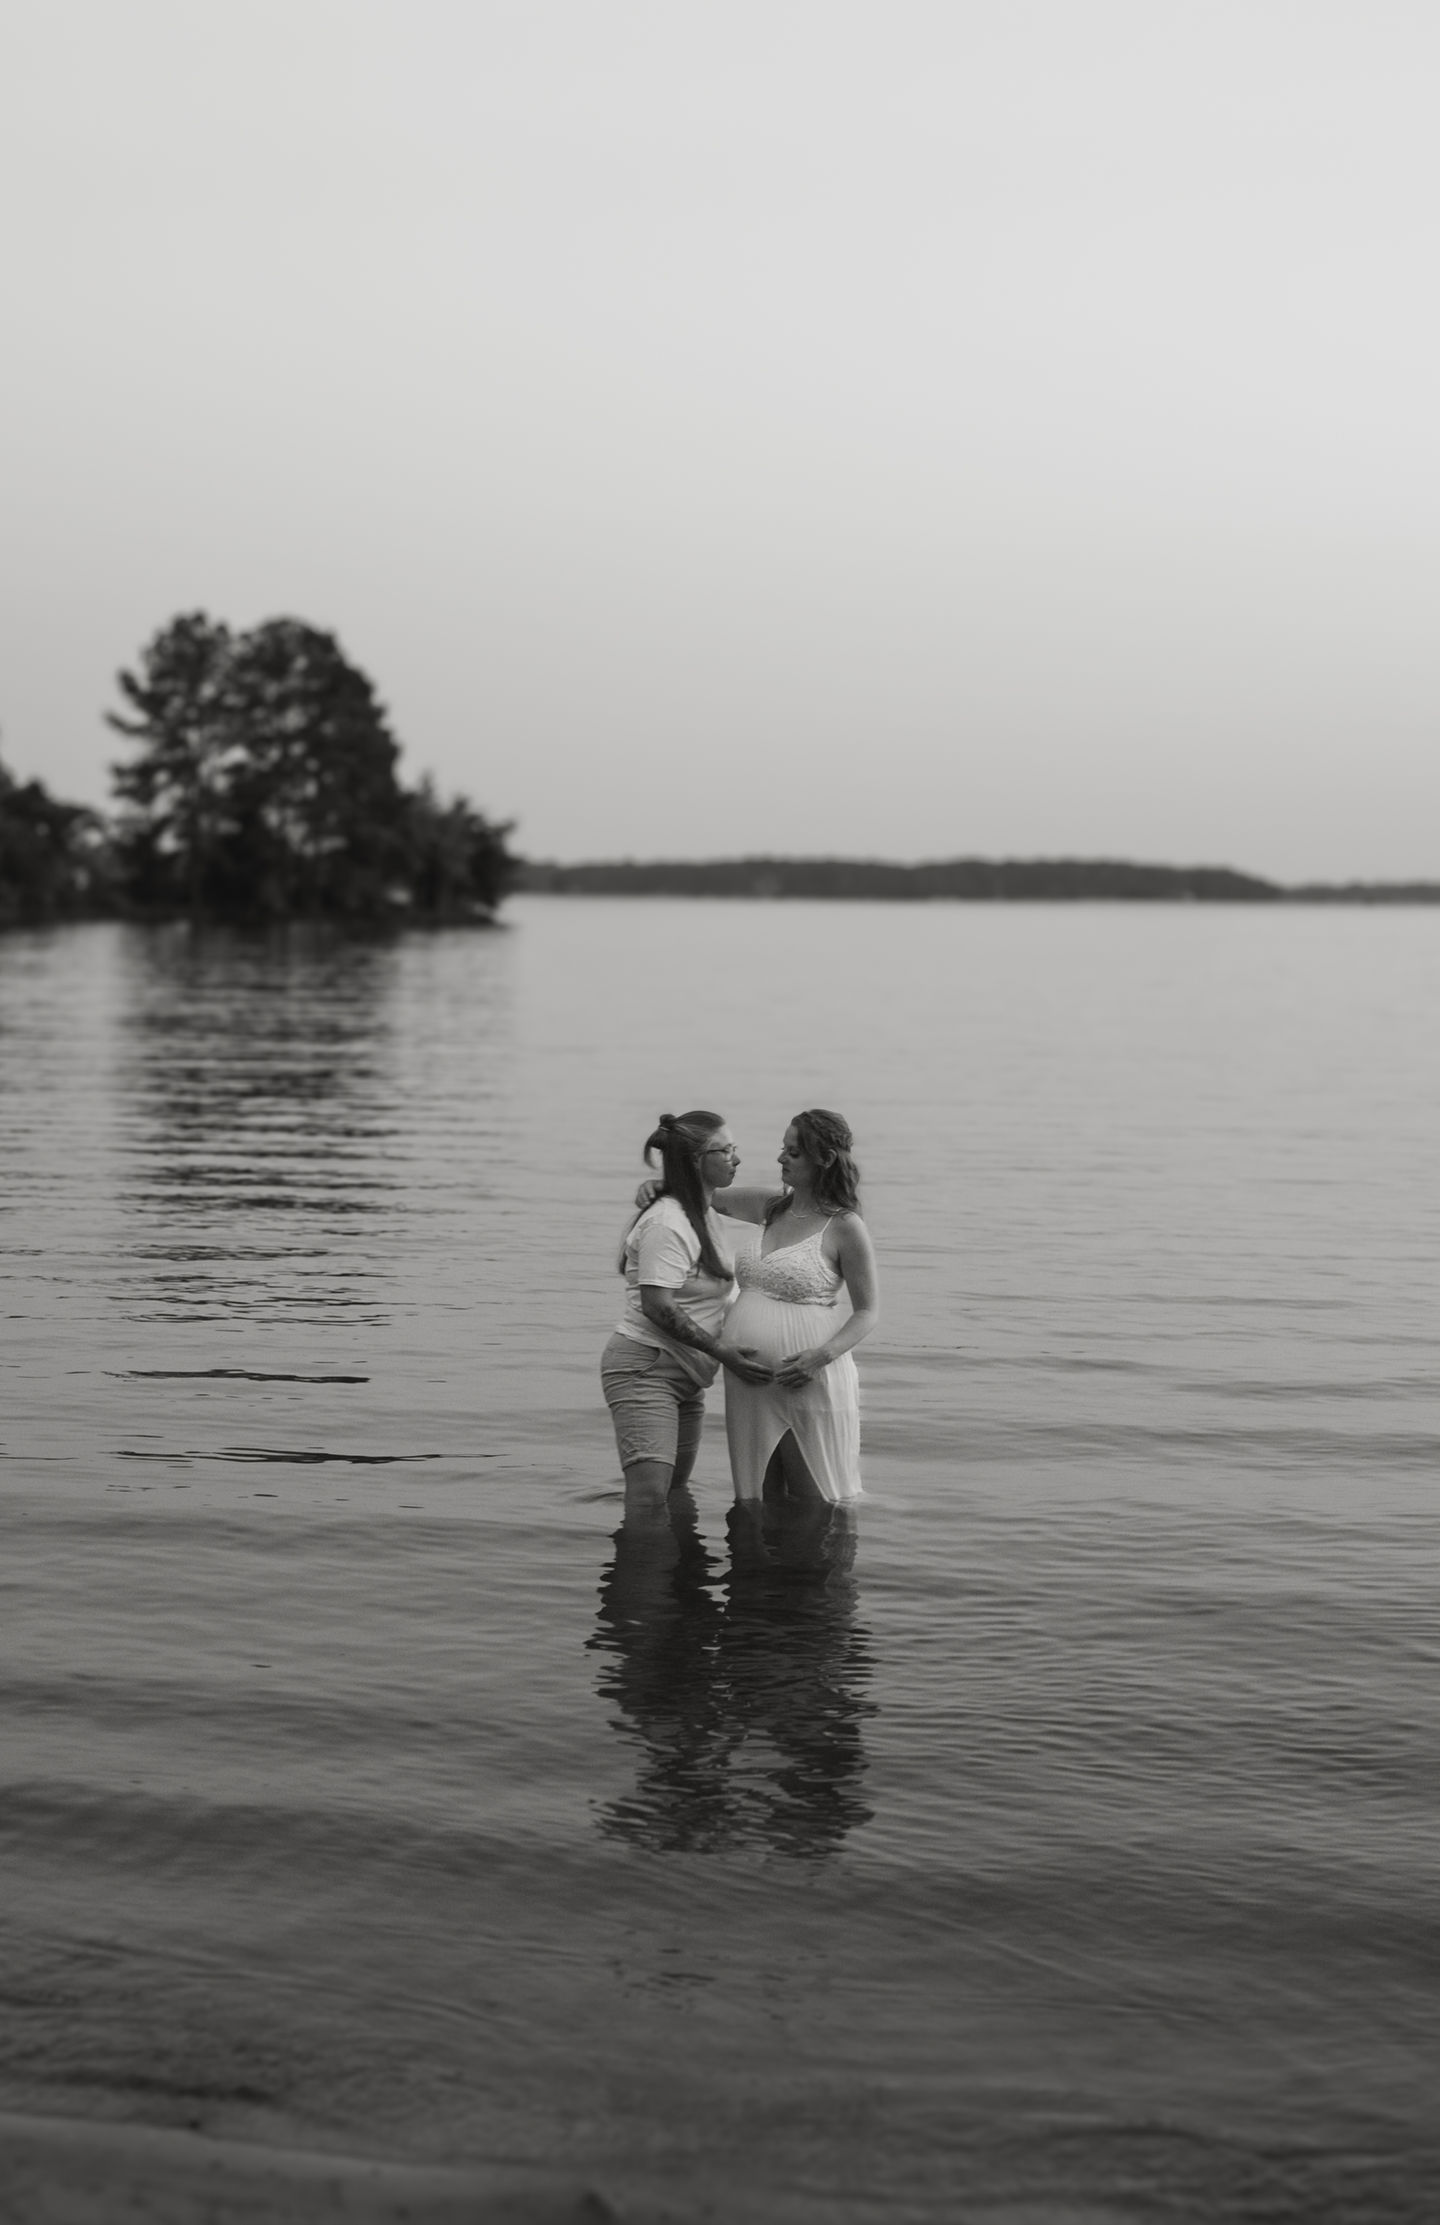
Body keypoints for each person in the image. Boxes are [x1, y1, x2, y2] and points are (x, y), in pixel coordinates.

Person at [703, 1109, 879, 1504]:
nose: (781, 1157)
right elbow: (704, 1197)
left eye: (793, 1152)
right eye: (783, 1148)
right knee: (758, 1501)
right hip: (749, 1383)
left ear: (824, 1160)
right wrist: (658, 1188)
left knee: (813, 1502)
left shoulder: (845, 1226)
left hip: (808, 1378)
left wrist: (820, 1357)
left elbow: (867, 1312)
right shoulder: (771, 1207)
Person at [602, 1110, 773, 1515]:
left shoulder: (703, 1208)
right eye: (725, 1150)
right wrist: (722, 1352)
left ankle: (673, 1559)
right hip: (647, 1369)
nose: (736, 1159)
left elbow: (783, 1204)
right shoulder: (669, 1223)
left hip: (686, 1374)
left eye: (734, 1149)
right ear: (696, 1160)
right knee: (648, 1499)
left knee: (675, 1493)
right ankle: (642, 1558)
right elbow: (657, 1306)